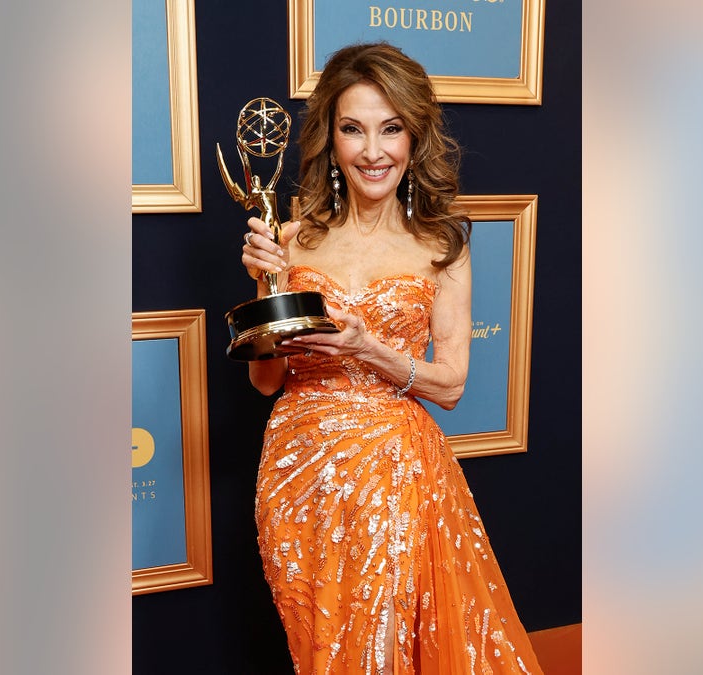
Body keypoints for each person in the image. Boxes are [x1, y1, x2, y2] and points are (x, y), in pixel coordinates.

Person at [239, 42, 543, 674]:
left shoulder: (440, 245)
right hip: (298, 473)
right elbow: (267, 380)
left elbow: (453, 385)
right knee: (318, 645)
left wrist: (370, 350)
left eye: (390, 129)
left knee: (378, 646)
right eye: (353, 129)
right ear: (331, 138)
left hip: (392, 473)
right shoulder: (291, 239)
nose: (373, 151)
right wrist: (264, 287)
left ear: (415, 136)